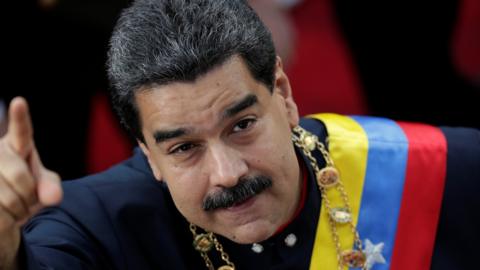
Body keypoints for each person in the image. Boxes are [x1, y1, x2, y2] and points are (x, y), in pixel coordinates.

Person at [0, 0, 478, 269]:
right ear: (147, 155)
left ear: (284, 96)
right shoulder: (94, 224)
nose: (228, 174)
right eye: (184, 148)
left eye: (242, 126)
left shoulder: (442, 169)